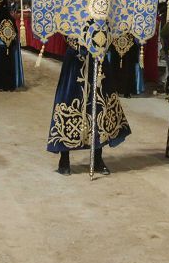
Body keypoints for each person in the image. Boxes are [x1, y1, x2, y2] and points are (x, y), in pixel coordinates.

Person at [48, 28, 132, 176]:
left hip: (98, 60)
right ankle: (64, 158)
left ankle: (97, 157)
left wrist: (103, 43)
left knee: (100, 107)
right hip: (76, 60)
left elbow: (110, 27)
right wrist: (80, 45)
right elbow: (65, 25)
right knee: (70, 104)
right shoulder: (72, 4)